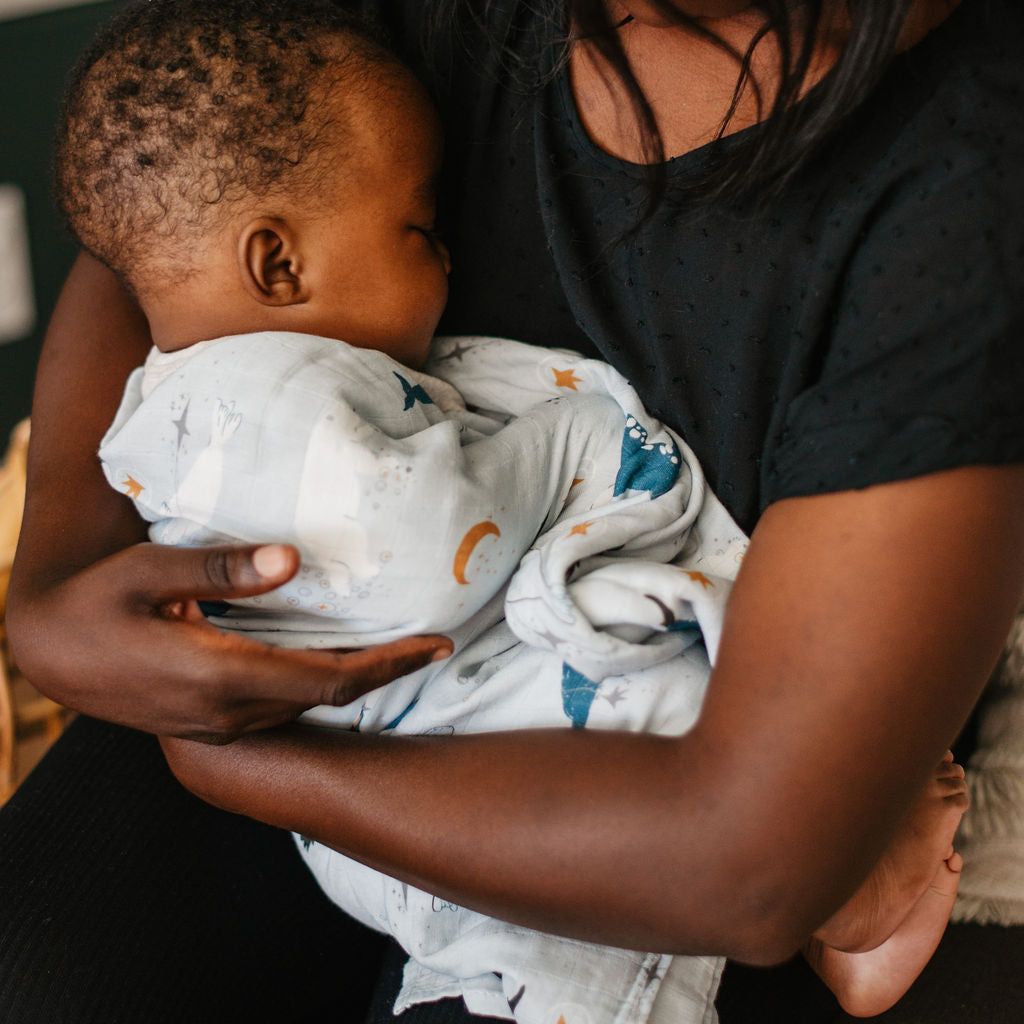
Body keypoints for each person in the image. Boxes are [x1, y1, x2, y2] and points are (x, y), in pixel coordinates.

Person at [2, 0, 1021, 1022]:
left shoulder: (967, 167)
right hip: (327, 685)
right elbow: (162, 209)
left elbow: (747, 865)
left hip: (642, 774)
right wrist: (54, 595)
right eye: (419, 229)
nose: (443, 259)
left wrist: (233, 759)